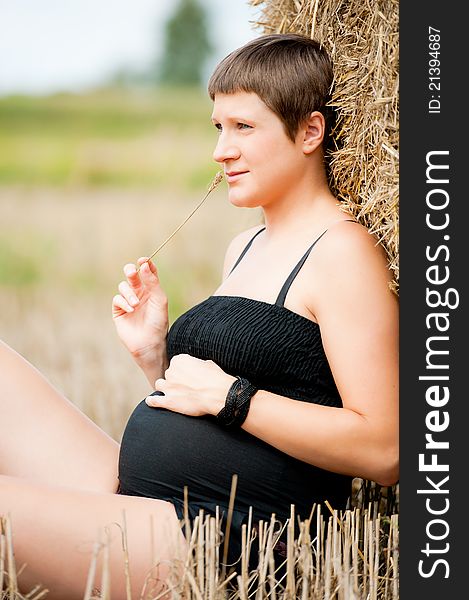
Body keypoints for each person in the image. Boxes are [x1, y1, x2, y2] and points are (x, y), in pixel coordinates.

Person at [0, 33, 398, 598]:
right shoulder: (245, 247)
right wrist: (154, 355)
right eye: (218, 128)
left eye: (244, 127)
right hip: (144, 498)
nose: (221, 150)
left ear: (310, 131)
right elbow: (206, 401)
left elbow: (386, 449)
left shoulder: (344, 252)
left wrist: (235, 399)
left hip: (220, 539)